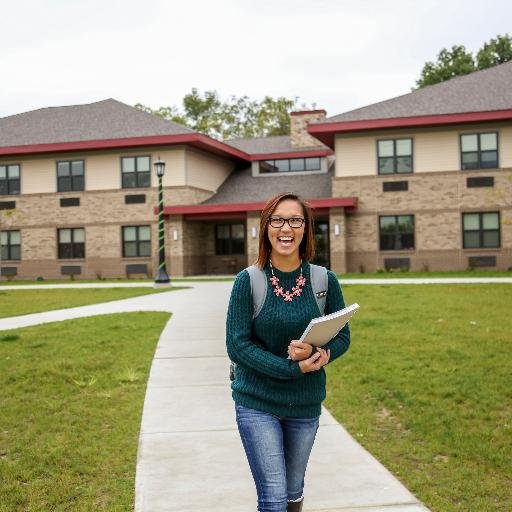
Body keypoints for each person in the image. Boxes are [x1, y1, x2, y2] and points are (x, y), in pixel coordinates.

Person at [226, 192, 351, 512]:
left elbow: (342, 336)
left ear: (306, 229)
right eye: (277, 220)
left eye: (295, 220)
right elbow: (237, 346)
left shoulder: (324, 280)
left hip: (305, 404)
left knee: (293, 493)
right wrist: (292, 369)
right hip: (257, 403)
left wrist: (319, 354)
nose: (286, 228)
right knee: (273, 497)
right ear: (265, 228)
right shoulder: (248, 281)